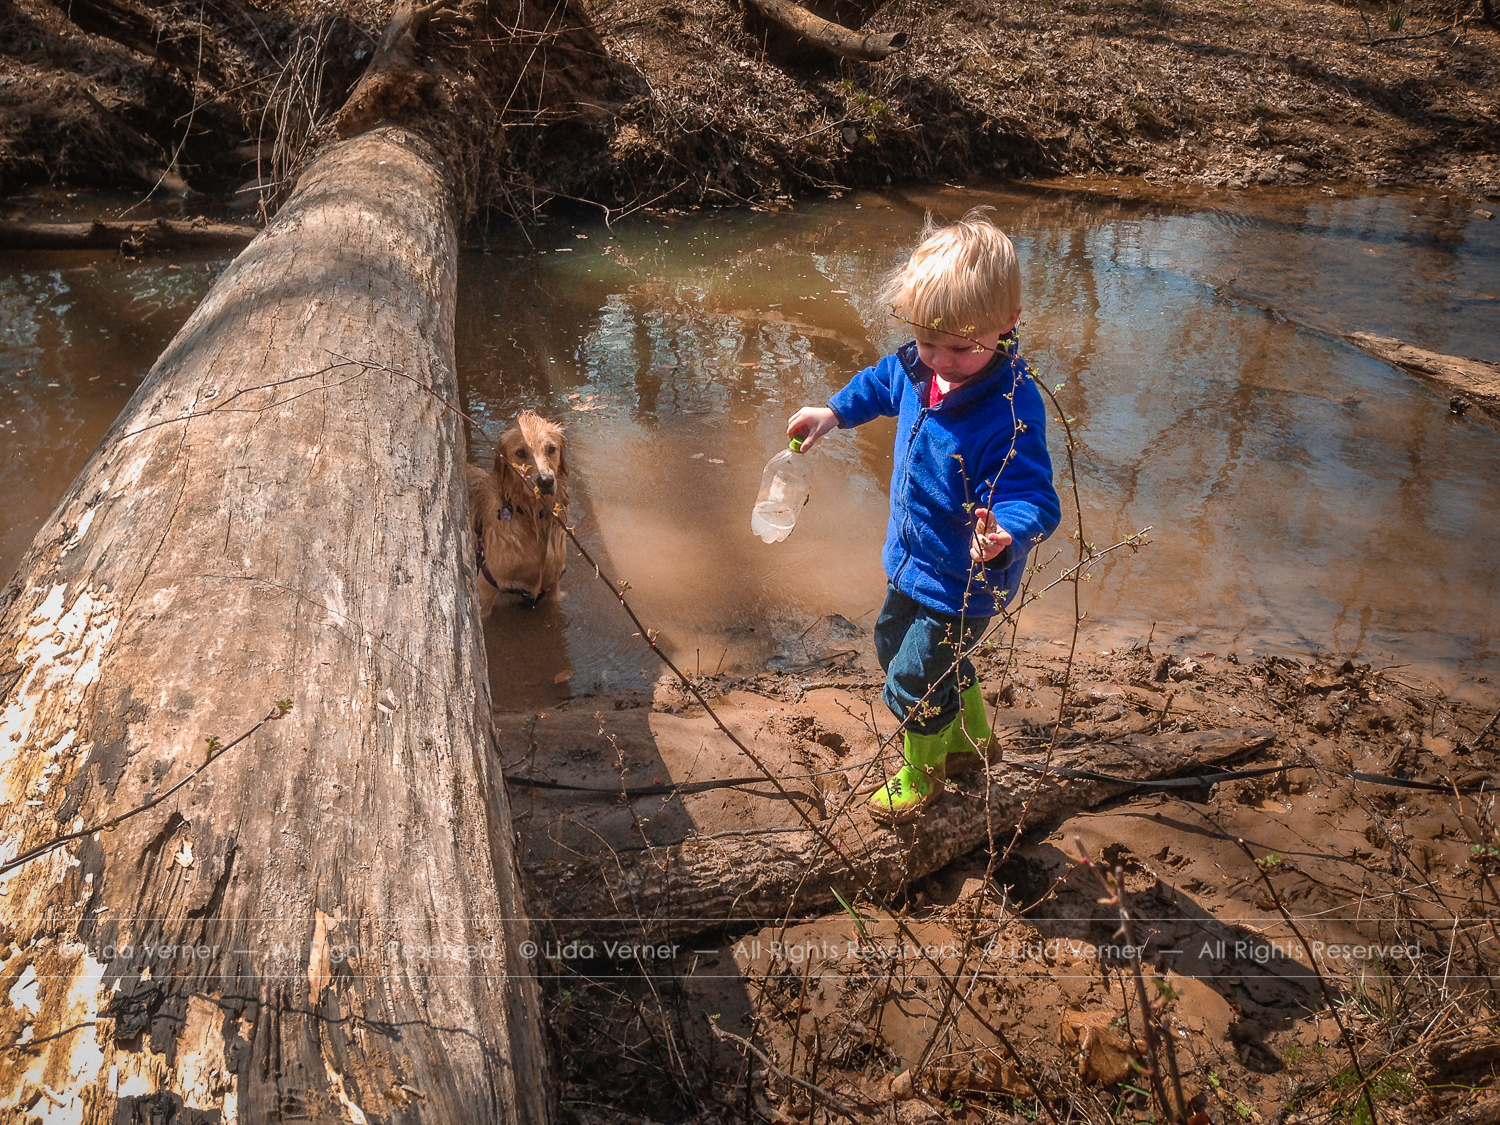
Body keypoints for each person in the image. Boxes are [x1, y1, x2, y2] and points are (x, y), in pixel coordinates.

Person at [787, 208, 1060, 825]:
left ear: (1008, 324)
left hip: (968, 580)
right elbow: (883, 382)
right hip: (912, 558)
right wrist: (832, 414)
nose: (939, 359)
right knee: (892, 644)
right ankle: (971, 741)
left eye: (960, 348)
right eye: (926, 341)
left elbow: (1037, 500)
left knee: (912, 675)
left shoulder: (1010, 410)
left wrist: (1007, 533)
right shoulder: (920, 366)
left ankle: (923, 775)